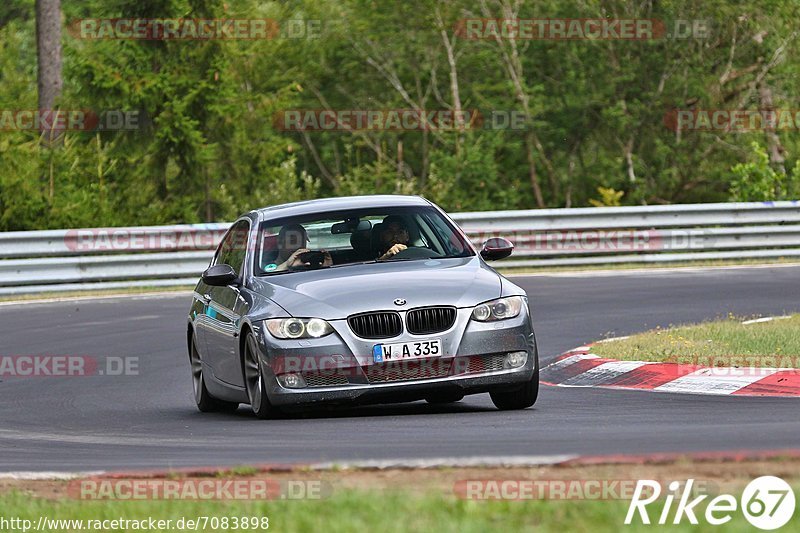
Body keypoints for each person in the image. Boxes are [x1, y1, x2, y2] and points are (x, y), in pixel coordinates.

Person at [263, 223, 331, 272]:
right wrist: (287, 265)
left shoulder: (311, 264)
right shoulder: (263, 264)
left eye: (302, 241)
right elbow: (264, 278)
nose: (298, 246)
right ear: (280, 242)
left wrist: (326, 269)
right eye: (292, 242)